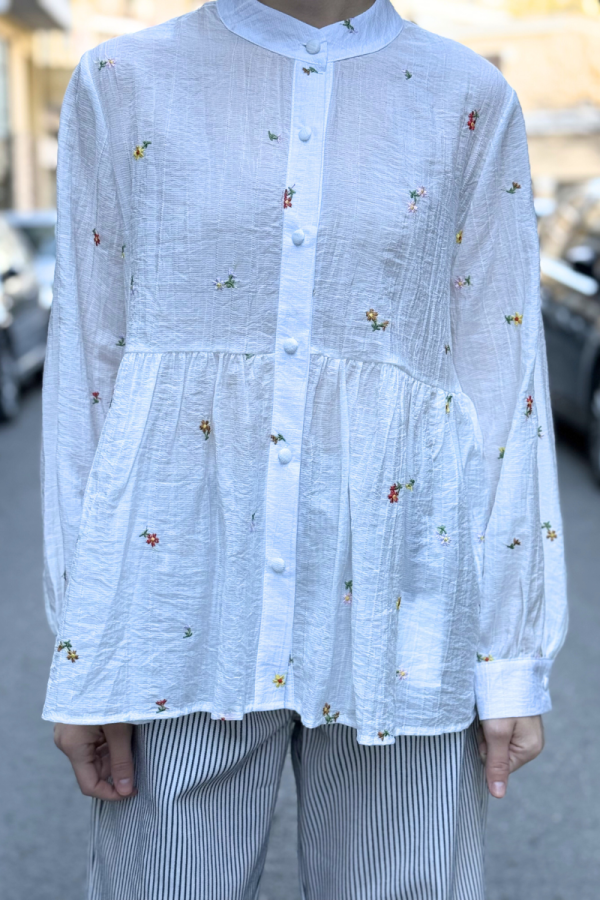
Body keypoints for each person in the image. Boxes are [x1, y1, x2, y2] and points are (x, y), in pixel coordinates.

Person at [42, 0, 568, 897]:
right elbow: (90, 371)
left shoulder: (468, 99)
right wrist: (83, 648)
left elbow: (501, 383)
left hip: (406, 607)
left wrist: (510, 654)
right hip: (181, 603)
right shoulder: (123, 84)